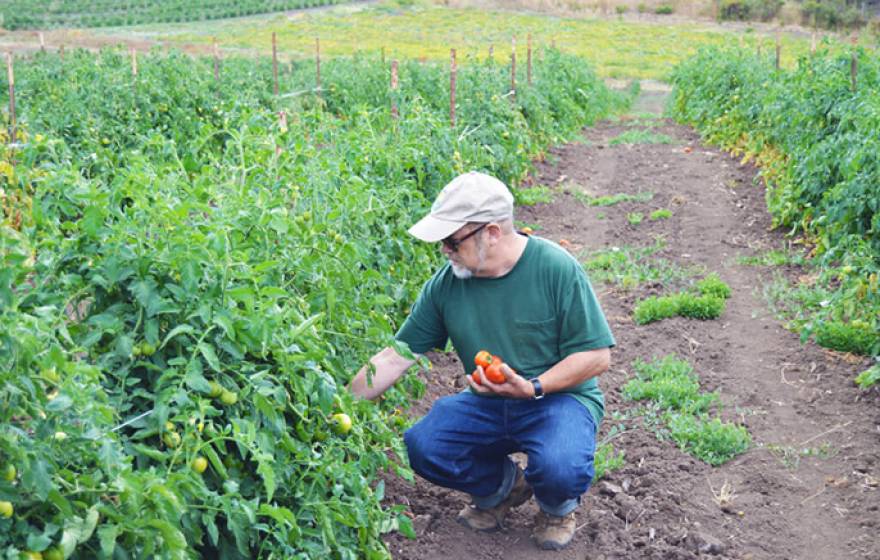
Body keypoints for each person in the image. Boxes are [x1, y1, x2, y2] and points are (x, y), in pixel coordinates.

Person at [349, 171, 614, 551]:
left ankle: (557, 507)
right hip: (486, 402)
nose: (444, 251)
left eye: (452, 241)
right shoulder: (447, 285)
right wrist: (338, 408)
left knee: (560, 464)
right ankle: (503, 490)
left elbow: (596, 356)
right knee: (425, 445)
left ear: (491, 232)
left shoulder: (556, 269)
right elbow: (395, 356)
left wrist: (534, 386)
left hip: (556, 399)